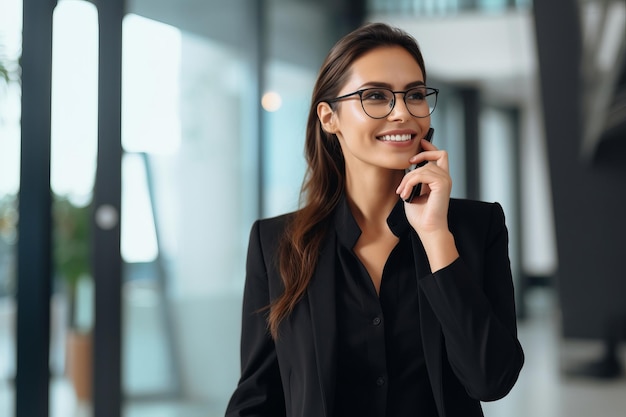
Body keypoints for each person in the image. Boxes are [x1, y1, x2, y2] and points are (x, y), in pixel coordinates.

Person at [225, 22, 524, 417]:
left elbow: (491, 380)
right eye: (376, 97)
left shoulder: (476, 227)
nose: (403, 112)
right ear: (329, 117)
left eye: (414, 95)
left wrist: (436, 236)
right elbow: (257, 399)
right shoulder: (276, 242)